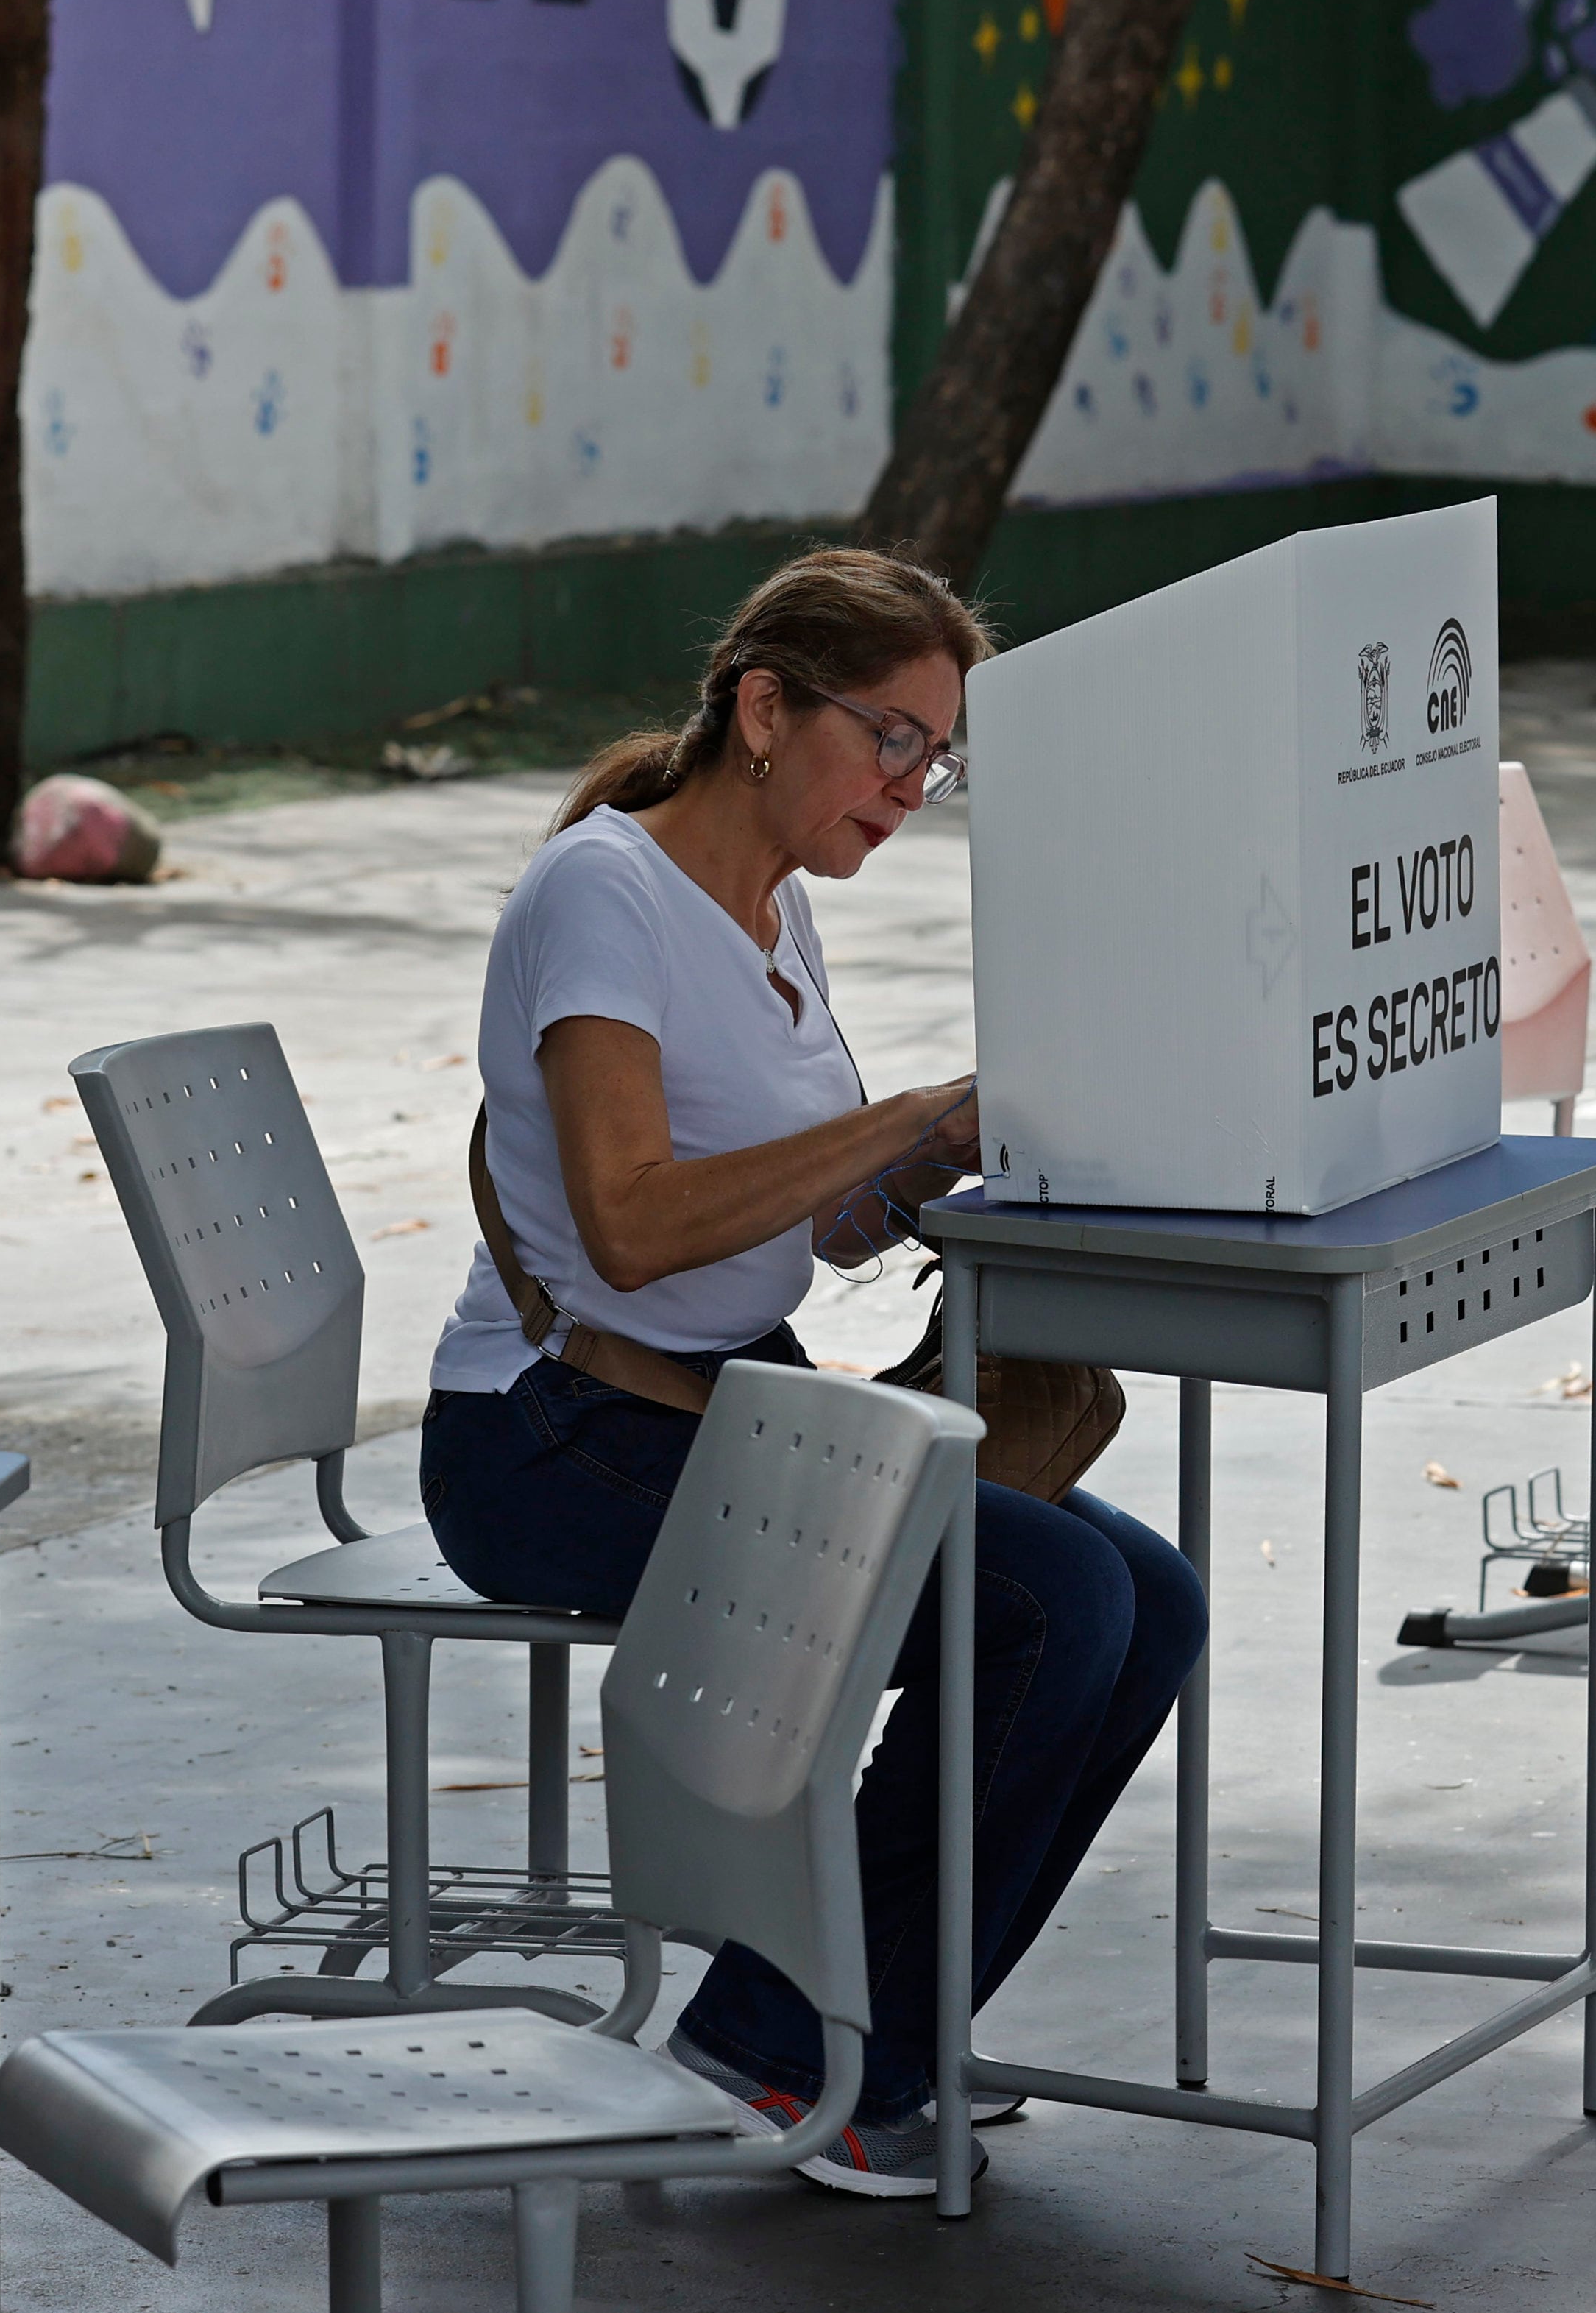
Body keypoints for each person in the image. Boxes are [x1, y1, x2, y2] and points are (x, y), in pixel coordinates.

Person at [419, 549, 1207, 2196]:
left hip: (715, 1392)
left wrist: (944, 1156)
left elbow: (808, 1225)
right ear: (765, 709)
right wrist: (898, 1117)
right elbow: (633, 1223)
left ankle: (878, 2037)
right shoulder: (606, 891)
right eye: (892, 739)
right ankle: (793, 2048)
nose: (913, 786)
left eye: (939, 756)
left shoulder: (775, 908)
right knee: (1048, 1600)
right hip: (553, 1431)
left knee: (1153, 1597)